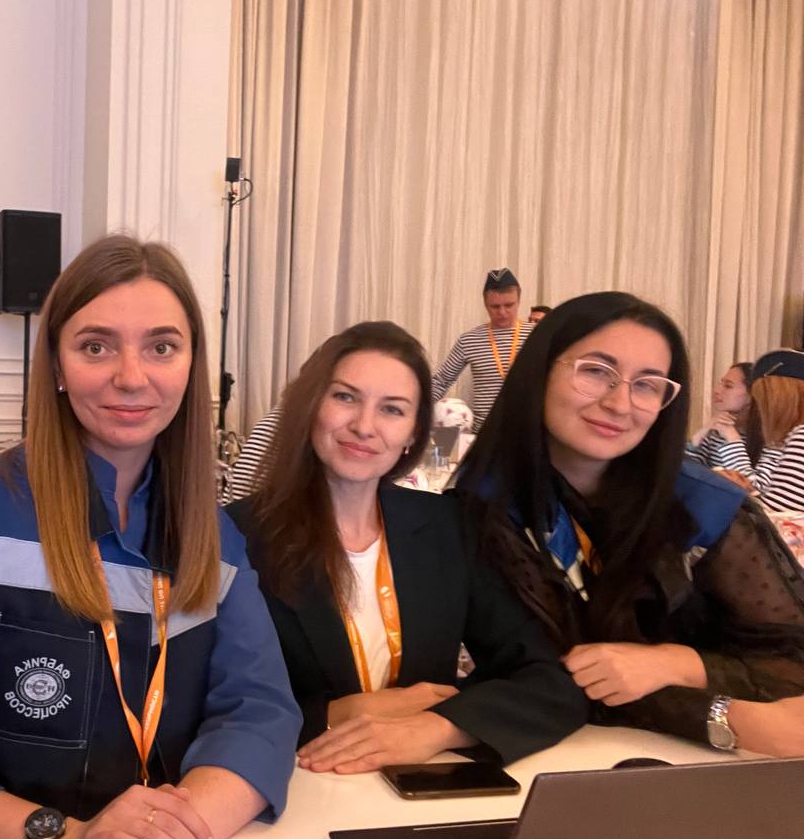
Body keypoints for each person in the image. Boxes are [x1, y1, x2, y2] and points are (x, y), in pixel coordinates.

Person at [0, 236, 300, 839]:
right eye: (96, 346)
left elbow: (259, 712)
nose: (132, 376)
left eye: (162, 347)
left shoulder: (213, 537)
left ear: (191, 366)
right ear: (57, 366)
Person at [225, 322, 586, 775]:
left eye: (392, 410)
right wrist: (337, 715)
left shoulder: (448, 526)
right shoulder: (235, 536)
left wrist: (440, 728)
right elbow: (199, 707)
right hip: (293, 783)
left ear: (414, 432)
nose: (364, 426)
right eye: (345, 397)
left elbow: (547, 677)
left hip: (419, 789)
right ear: (311, 405)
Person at [455, 292, 804, 748]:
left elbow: (791, 665)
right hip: (552, 753)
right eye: (595, 371)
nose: (620, 403)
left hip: (696, 763)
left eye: (647, 384)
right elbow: (547, 675)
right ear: (539, 371)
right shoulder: (485, 502)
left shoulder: (704, 507)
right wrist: (730, 719)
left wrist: (674, 664)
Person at [432, 268, 535, 431]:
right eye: (495, 306)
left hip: (528, 430)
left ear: (519, 301)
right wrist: (416, 411)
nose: (502, 312)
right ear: (485, 305)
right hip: (484, 433)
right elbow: (441, 381)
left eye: (509, 305)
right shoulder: (469, 340)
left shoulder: (537, 335)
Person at [706, 351, 804, 511]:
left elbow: (775, 514)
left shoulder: (799, 436)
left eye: (762, 399)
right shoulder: (786, 437)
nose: (759, 409)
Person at [687, 362, 752, 467]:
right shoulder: (716, 431)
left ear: (751, 395)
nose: (716, 390)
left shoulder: (772, 440)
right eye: (720, 383)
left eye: (728, 386)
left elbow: (747, 478)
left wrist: (733, 440)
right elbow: (686, 471)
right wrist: (699, 436)